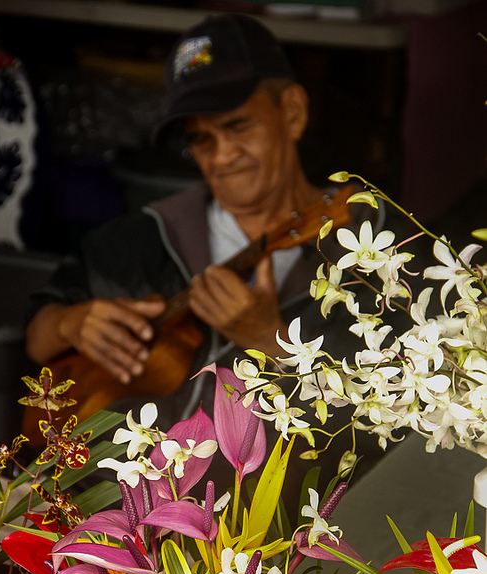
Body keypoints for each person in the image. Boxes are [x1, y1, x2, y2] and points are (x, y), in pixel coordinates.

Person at [24, 13, 382, 497]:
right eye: (201, 138)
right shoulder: (141, 236)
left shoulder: (373, 249)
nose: (221, 155)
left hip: (281, 537)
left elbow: (390, 419)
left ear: (293, 112)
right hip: (113, 522)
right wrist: (70, 323)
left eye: (238, 126)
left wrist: (270, 340)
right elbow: (36, 336)